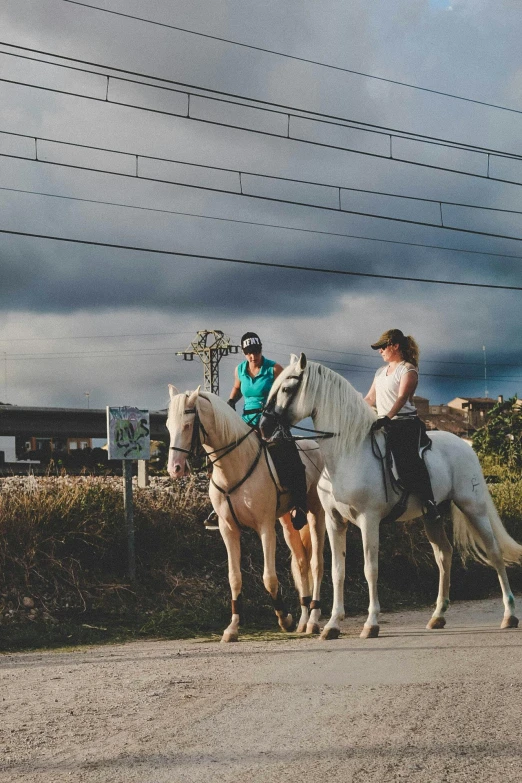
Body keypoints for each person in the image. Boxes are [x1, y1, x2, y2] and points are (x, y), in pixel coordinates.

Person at [224, 332, 308, 531]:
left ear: (261, 349)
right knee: (225, 451)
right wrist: (230, 402)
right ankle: (222, 504)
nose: (253, 356)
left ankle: (299, 504)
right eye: (248, 353)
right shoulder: (240, 370)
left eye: (256, 351)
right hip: (246, 420)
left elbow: (290, 390)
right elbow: (237, 388)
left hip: (271, 420)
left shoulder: (274, 368)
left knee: (289, 453)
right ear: (244, 354)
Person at [364, 328, 440, 523]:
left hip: (405, 423)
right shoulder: (380, 372)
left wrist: (387, 417)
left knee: (408, 458)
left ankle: (429, 501)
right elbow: (370, 398)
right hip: (383, 422)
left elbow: (401, 398)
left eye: (382, 347)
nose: (380, 351)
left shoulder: (408, 370)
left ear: (395, 346)